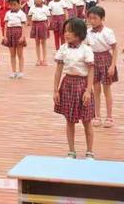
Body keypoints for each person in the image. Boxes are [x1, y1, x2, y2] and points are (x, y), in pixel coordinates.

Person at [54, 18, 95, 159]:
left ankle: (90, 151)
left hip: (82, 85)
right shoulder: (63, 49)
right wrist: (55, 90)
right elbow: (58, 70)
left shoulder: (86, 50)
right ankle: (71, 151)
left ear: (79, 33)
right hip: (67, 85)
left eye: (70, 31)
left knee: (87, 120)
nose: (67, 34)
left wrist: (88, 90)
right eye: (65, 30)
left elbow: (91, 71)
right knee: (69, 120)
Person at [85, 6, 118, 128]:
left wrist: (112, 65)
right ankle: (96, 115)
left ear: (102, 18)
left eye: (95, 18)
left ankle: (109, 116)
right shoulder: (87, 32)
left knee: (107, 89)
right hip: (93, 61)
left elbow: (115, 48)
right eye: (90, 18)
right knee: (96, 89)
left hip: (106, 60)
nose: (92, 21)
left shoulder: (108, 32)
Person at [3, 0, 27, 79]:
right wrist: (5, 36)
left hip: (19, 33)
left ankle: (21, 71)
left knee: (20, 54)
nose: (13, 6)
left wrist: (23, 36)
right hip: (10, 33)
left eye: (15, 4)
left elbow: (24, 26)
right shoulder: (7, 13)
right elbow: (5, 25)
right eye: (11, 4)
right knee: (12, 54)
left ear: (19, 4)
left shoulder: (22, 14)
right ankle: (13, 71)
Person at [28, 0, 50, 66]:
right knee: (37, 43)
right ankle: (38, 59)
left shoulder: (46, 7)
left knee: (43, 43)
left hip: (43, 25)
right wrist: (31, 24)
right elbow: (29, 16)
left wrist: (48, 25)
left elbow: (49, 17)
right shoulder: (32, 7)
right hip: (35, 25)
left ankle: (45, 59)